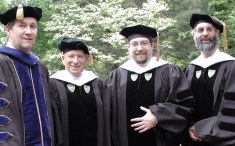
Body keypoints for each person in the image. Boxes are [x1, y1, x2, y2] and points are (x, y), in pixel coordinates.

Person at [105, 24, 195, 146]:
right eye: (134, 44)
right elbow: (108, 112)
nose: (139, 48)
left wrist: (158, 115)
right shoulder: (117, 76)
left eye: (144, 43)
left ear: (152, 46)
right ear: (128, 47)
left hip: (161, 140)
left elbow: (185, 104)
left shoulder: (169, 72)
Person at [0, 5, 57, 146]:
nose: (29, 31)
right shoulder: (2, 62)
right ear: (8, 29)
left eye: (33, 26)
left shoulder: (40, 67)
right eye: (22, 26)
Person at [183, 13, 235, 146]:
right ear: (194, 35)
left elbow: (232, 108)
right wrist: (188, 126)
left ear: (217, 34)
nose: (204, 34)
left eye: (209, 29)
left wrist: (203, 128)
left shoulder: (231, 66)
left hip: (222, 139)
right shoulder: (189, 69)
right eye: (200, 30)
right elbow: (182, 103)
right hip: (192, 138)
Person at [50, 37, 106, 146]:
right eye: (70, 56)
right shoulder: (52, 84)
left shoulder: (97, 84)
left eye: (80, 56)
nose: (75, 61)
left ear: (86, 59)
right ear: (63, 59)